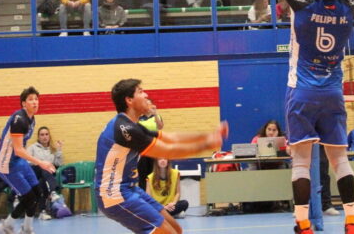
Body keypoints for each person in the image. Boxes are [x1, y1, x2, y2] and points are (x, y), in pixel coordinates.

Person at [274, 0, 354, 234]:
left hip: (302, 91)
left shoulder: (301, 4)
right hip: (333, 93)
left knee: (300, 162)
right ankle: (352, 220)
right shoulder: (348, 5)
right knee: (340, 161)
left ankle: (302, 223)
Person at [95, 78, 227, 234]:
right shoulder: (126, 129)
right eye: (140, 91)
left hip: (130, 189)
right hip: (114, 195)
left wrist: (207, 136)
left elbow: (171, 138)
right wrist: (206, 145)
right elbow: (167, 151)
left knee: (176, 229)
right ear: (129, 100)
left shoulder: (133, 125)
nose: (146, 95)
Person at [0, 87, 56, 234]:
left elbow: (21, 149)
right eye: (30, 99)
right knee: (28, 197)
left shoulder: (32, 119)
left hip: (19, 161)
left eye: (36, 99)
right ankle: (7, 225)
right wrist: (41, 162)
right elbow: (18, 149)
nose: (35, 102)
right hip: (7, 164)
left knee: (38, 192)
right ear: (23, 103)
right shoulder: (19, 119)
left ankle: (27, 228)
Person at [27, 126, 63, 220]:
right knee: (43, 167)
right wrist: (40, 163)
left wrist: (59, 150)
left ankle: (42, 211)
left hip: (46, 176)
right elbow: (26, 162)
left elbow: (58, 164)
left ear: (49, 136)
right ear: (38, 137)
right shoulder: (32, 148)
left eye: (46, 134)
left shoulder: (53, 149)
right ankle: (53, 191)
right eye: (42, 135)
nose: (44, 137)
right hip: (35, 172)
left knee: (43, 182)